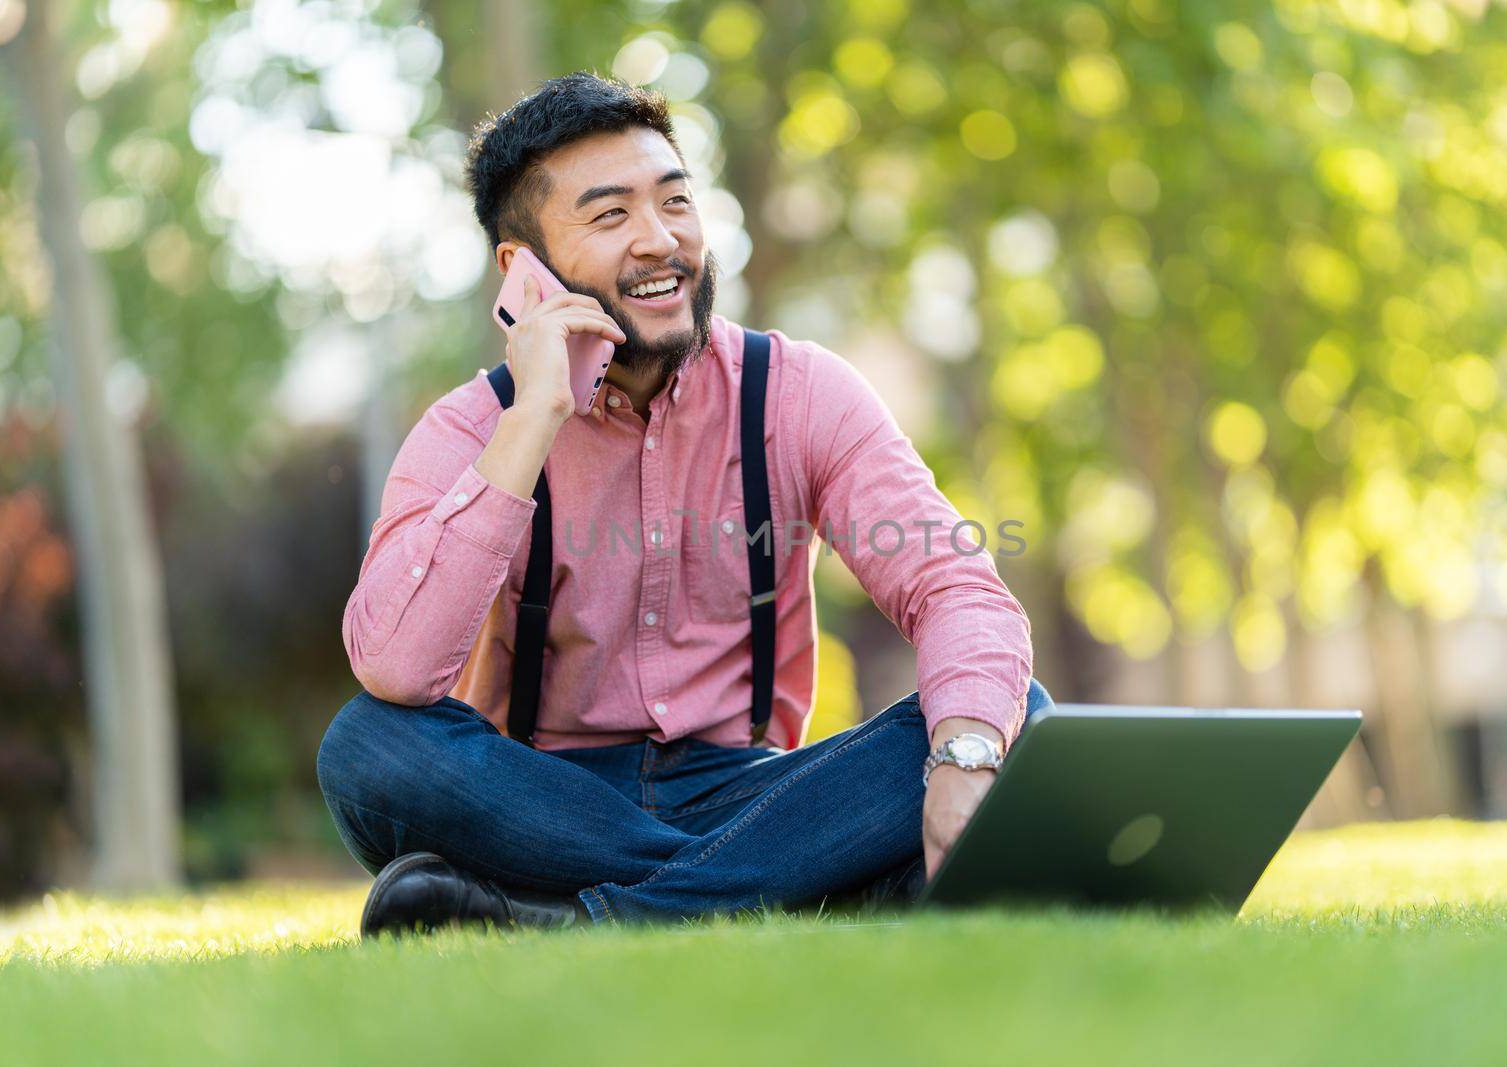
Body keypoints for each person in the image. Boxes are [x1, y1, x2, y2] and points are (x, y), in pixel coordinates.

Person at [315, 70, 1051, 935]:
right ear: (524, 273)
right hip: (547, 802)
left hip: (752, 788)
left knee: (1006, 708)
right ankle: (808, 886)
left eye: (674, 201)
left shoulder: (800, 392)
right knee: (366, 746)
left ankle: (584, 918)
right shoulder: (470, 427)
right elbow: (397, 668)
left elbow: (955, 587)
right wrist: (534, 419)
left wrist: (963, 761)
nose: (661, 240)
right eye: (610, 214)